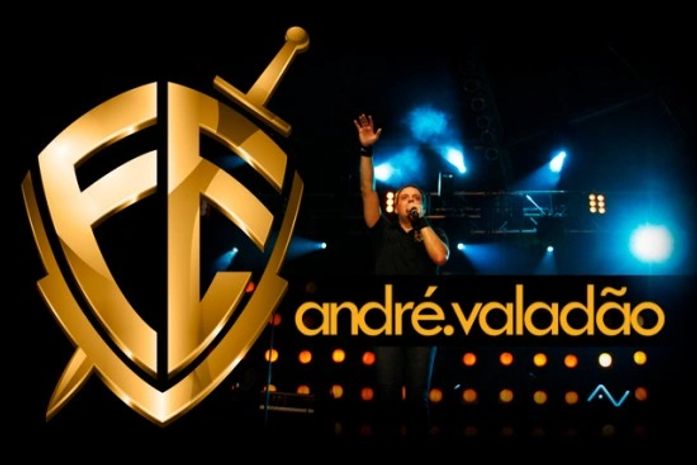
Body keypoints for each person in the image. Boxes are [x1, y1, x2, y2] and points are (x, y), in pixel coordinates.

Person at [353, 113, 449, 437]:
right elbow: (367, 190)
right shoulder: (383, 231)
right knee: (388, 396)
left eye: (416, 198)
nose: (410, 201)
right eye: (405, 197)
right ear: (396, 206)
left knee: (418, 398)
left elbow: (440, 257)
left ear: (423, 206)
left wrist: (423, 224)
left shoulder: (434, 234)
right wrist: (366, 151)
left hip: (424, 320)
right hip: (389, 318)